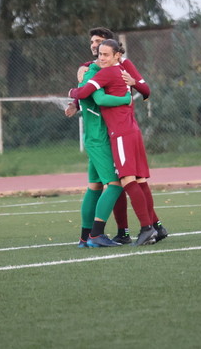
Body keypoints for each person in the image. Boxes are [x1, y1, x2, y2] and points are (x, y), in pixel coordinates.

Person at [69, 39, 166, 246]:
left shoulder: (104, 72)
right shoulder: (93, 70)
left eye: (103, 50)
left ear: (117, 55)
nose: (98, 53)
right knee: (116, 183)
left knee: (121, 183)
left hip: (116, 135)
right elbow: (95, 96)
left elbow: (99, 97)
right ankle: (145, 228)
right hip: (115, 135)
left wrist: (74, 93)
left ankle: (99, 235)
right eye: (96, 49)